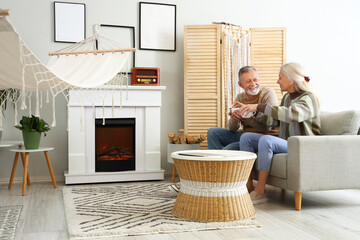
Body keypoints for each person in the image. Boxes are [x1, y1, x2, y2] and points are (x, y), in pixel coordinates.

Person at [238, 62, 321, 204]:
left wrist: (259, 106)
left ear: (291, 79)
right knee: (246, 138)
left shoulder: (309, 98)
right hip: (287, 143)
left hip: (303, 145)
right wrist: (250, 112)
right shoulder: (287, 98)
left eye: (280, 78)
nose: (277, 81)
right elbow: (274, 121)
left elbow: (291, 114)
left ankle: (261, 191)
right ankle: (248, 185)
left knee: (267, 140)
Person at [207, 66, 279, 150]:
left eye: (255, 80)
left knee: (227, 150)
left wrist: (247, 116)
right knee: (212, 132)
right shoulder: (240, 97)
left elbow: (267, 127)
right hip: (245, 136)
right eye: (248, 81)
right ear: (240, 84)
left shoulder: (267, 93)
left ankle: (219, 161)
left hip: (264, 137)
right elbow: (232, 128)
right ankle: (214, 161)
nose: (253, 84)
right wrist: (235, 117)